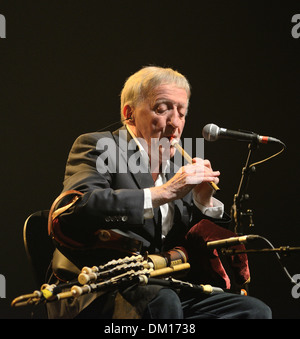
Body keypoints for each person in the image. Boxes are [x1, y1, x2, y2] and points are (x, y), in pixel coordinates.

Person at [46, 66, 272, 319]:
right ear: (129, 113)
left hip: (165, 286)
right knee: (161, 303)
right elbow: (79, 208)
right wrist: (165, 191)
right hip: (99, 288)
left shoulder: (176, 167)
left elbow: (188, 241)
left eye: (182, 113)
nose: (175, 123)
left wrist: (203, 201)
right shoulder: (100, 146)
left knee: (253, 311)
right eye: (163, 109)